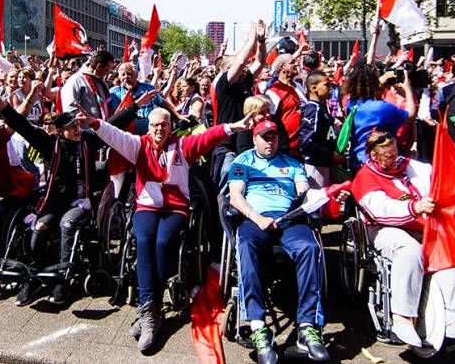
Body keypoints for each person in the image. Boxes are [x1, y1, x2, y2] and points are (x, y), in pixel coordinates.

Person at [78, 107, 254, 352]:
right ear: (148, 127)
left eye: (164, 124)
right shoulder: (138, 145)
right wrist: (94, 122)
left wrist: (235, 127)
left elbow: (209, 136)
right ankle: (149, 310)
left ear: (171, 127)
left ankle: (151, 309)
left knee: (162, 242)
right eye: (155, 125)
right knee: (143, 239)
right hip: (147, 207)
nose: (159, 129)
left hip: (175, 208)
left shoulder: (182, 146)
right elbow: (114, 135)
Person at [0, 87, 151, 306]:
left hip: (80, 201)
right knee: (39, 228)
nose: (77, 130)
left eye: (77, 126)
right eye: (71, 128)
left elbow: (112, 125)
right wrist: (3, 106)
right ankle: (34, 276)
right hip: (54, 201)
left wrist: (135, 106)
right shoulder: (49, 144)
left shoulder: (88, 141)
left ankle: (62, 279)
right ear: (61, 131)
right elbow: (22, 126)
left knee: (67, 224)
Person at [350, 131, 455, 348]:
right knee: (410, 250)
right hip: (384, 228)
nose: (394, 159)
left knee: (448, 253)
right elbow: (380, 210)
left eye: (395, 153)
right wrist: (414, 207)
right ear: (374, 156)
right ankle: (403, 318)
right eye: (388, 156)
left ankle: (454, 319)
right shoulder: (365, 178)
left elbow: (441, 177)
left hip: (423, 225)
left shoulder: (412, 166)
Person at [228, 119, 345, 363]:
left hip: (289, 218)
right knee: (246, 247)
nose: (270, 142)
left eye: (273, 137)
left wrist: (322, 197)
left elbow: (304, 191)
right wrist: (257, 218)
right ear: (254, 139)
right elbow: (235, 197)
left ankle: (307, 326)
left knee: (310, 248)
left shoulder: (292, 164)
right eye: (264, 137)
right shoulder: (242, 162)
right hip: (255, 218)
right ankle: (258, 326)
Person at [210, 21, 267, 186]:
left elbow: (260, 63)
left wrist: (261, 41)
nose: (242, 69)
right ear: (224, 70)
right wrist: (250, 40)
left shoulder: (244, 81)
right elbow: (240, 63)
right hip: (227, 146)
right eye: (233, 66)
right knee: (227, 186)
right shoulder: (223, 84)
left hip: (245, 143)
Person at [345, 63, 416, 168]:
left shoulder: (350, 104)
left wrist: (380, 84)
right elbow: (411, 115)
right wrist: (408, 88)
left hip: (357, 159)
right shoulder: (381, 108)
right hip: (377, 162)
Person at [298, 71, 344, 188]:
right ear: (314, 88)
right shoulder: (313, 108)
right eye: (326, 85)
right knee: (318, 196)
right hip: (315, 164)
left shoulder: (322, 107)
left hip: (324, 163)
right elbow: (307, 141)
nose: (331, 88)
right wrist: (330, 154)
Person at [265, 54, 306, 154]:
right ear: (282, 67)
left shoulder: (298, 86)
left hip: (303, 142)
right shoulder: (274, 91)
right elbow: (270, 119)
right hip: (287, 146)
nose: (297, 64)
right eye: (292, 62)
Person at [109, 62, 162, 135]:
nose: (126, 77)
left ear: (136, 75)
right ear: (119, 77)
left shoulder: (148, 88)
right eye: (123, 74)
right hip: (127, 133)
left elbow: (162, 103)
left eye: (129, 74)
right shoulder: (115, 92)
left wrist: (176, 115)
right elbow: (117, 114)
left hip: (149, 130)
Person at [60, 51, 115, 120]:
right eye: (106, 70)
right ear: (99, 66)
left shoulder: (102, 83)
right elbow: (70, 109)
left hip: (103, 125)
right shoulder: (76, 80)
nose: (107, 73)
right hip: (84, 126)